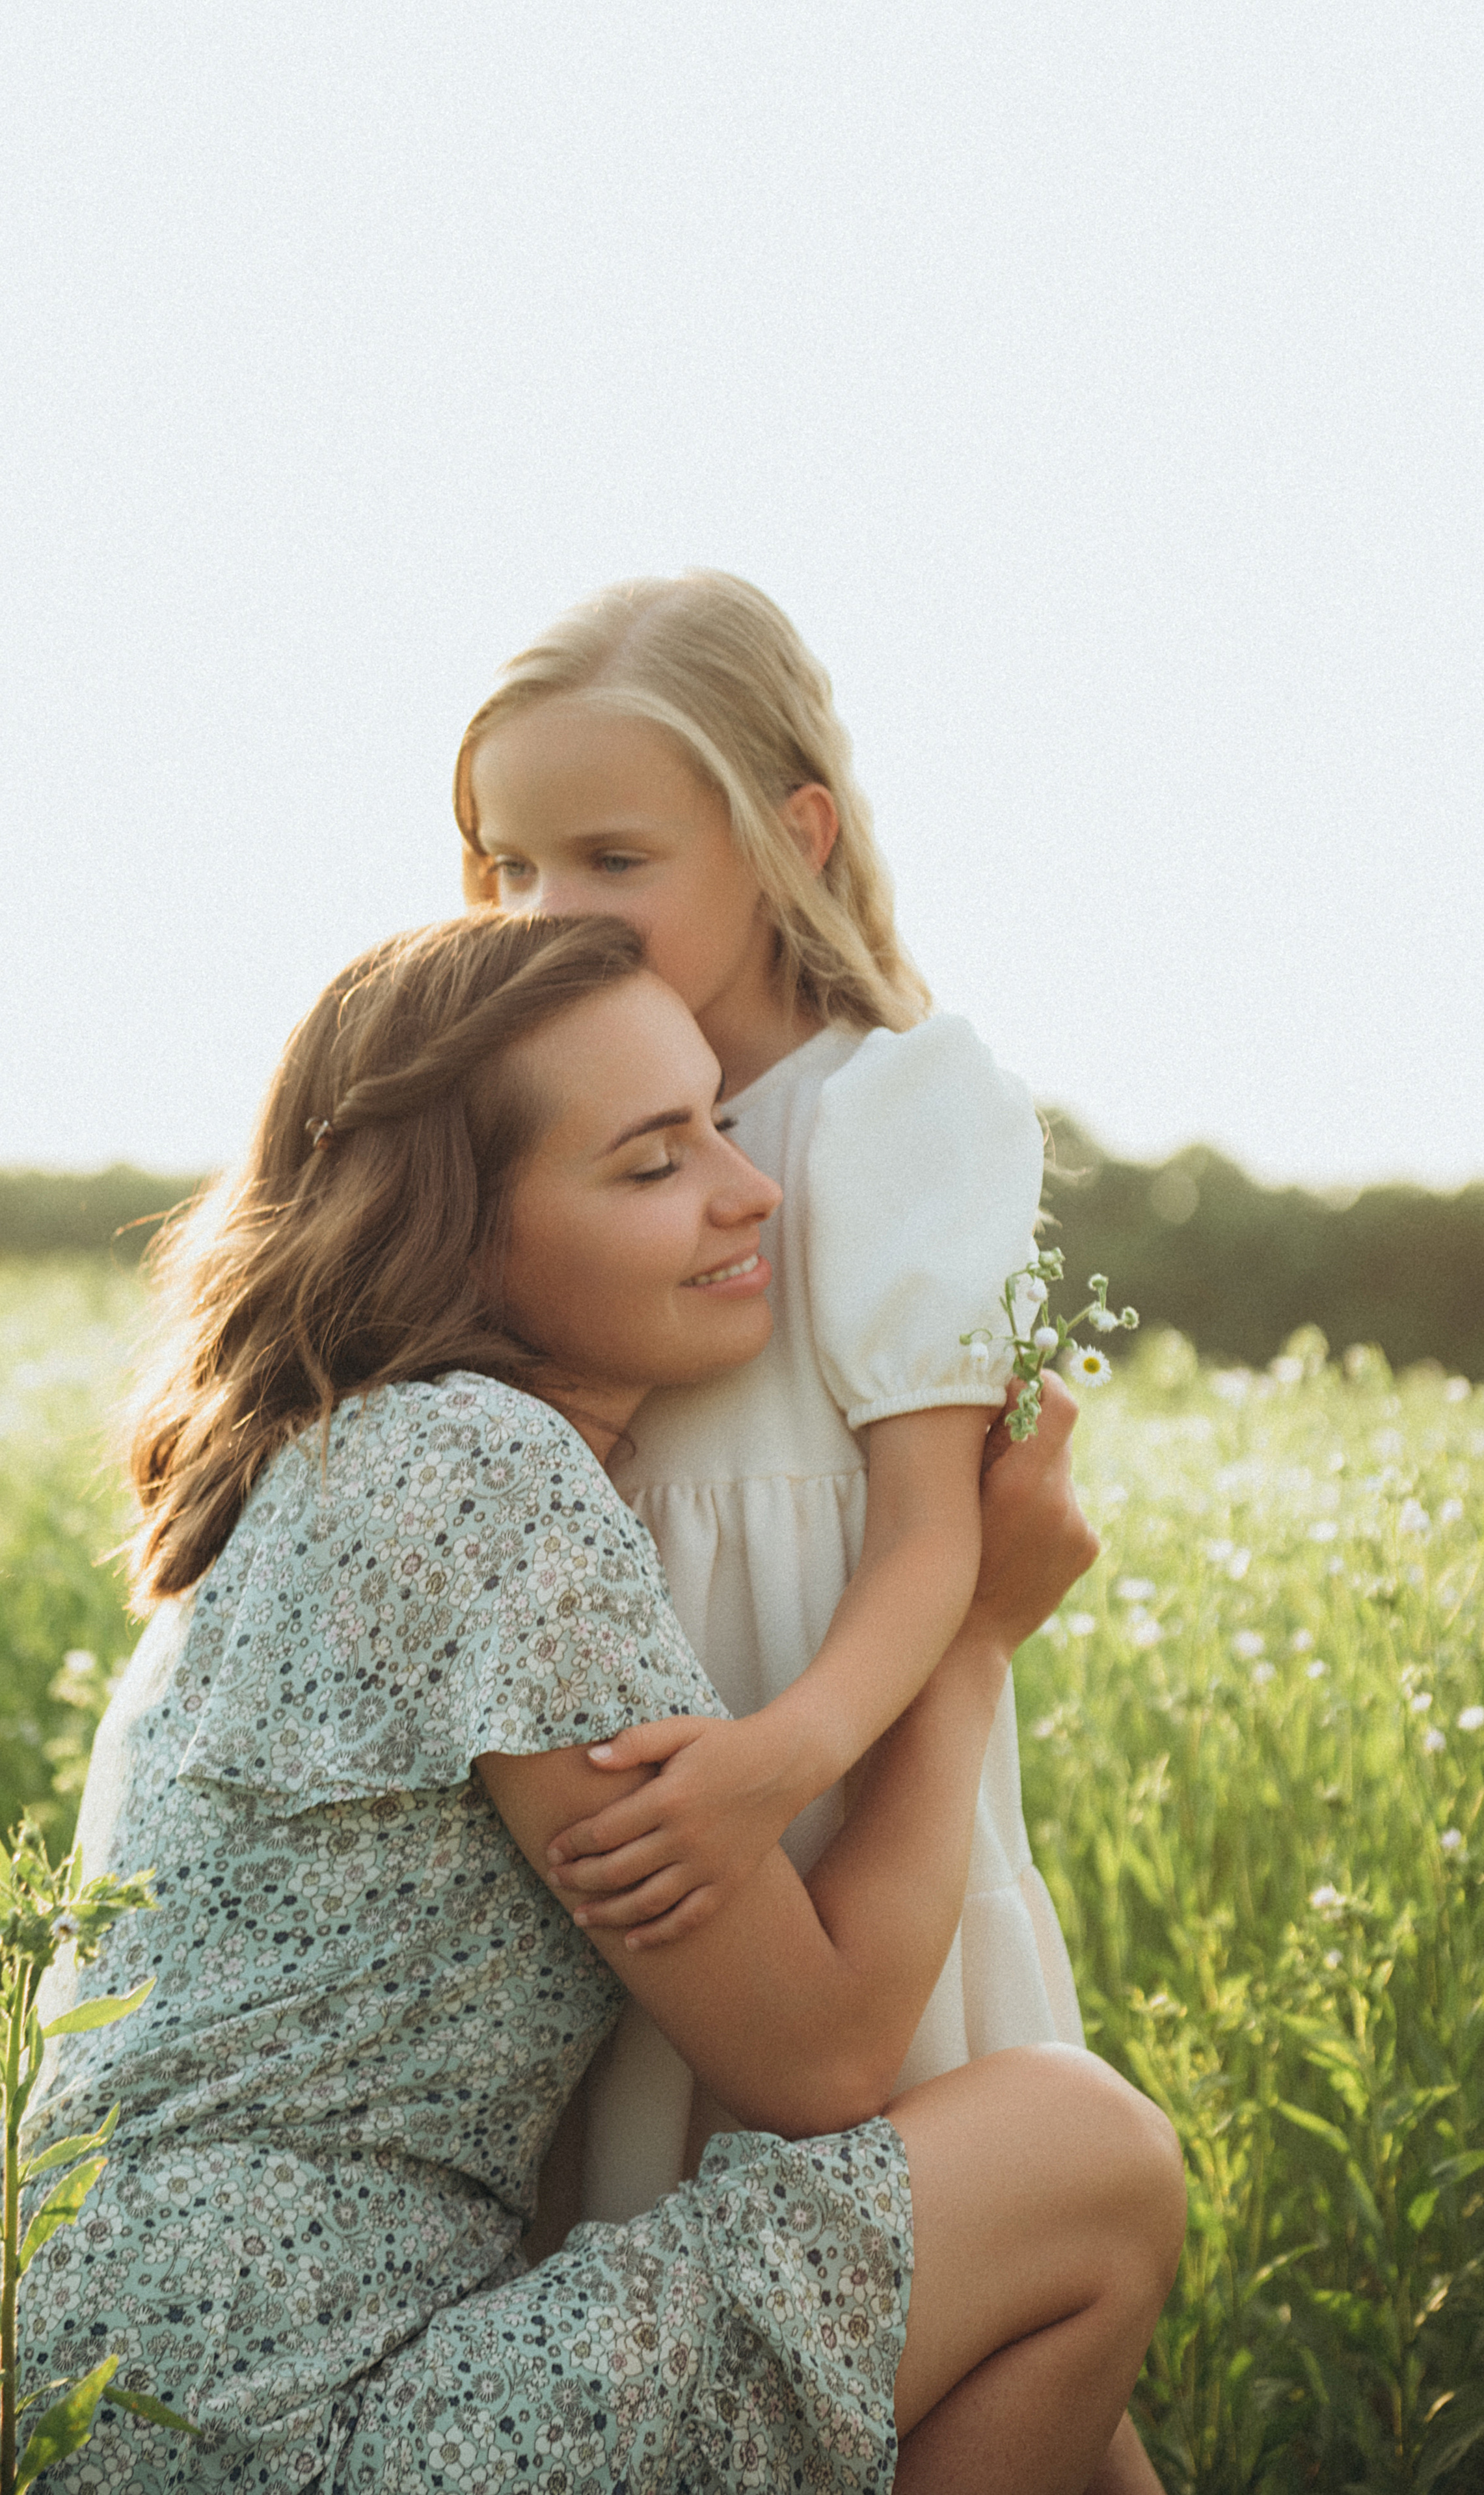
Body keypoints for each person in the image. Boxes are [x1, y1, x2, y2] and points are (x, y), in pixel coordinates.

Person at [0, 914, 1181, 2495]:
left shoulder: (306, 1475)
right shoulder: (474, 1474)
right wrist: (972, 1634)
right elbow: (824, 2052)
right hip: (279, 2428)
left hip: (42, 2401)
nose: (750, 1185)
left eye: (718, 1118)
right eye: (652, 1165)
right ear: (456, 1239)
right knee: (1087, 2163)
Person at [452, 573, 1084, 2239]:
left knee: (902, 2266)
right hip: (631, 1826)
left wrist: (769, 1762)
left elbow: (936, 1532)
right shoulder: (533, 1129)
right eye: (508, 862)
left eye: (611, 858)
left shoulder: (885, 1106)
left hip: (826, 1792)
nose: (541, 911)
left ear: (793, 834)